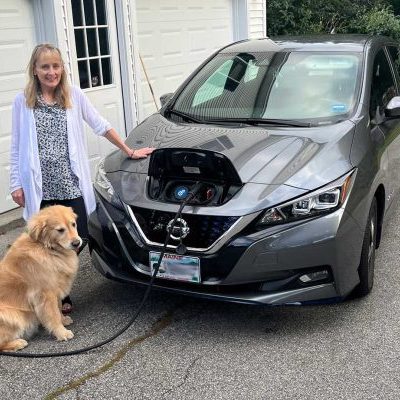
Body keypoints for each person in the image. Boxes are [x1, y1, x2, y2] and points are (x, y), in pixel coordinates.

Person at [10, 43, 154, 314]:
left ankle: (56, 288)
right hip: (41, 186)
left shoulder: (73, 95)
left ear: (62, 68)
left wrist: (129, 150)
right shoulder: (23, 100)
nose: (51, 72)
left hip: (70, 182)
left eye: (55, 66)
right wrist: (15, 183)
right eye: (45, 67)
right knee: (42, 243)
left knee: (79, 236)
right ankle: (51, 296)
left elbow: (100, 124)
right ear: (35, 70)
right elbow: (17, 144)